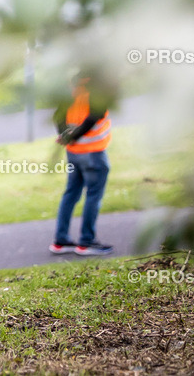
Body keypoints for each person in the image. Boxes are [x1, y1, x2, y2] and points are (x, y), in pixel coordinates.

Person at [50, 72, 114, 256]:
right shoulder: (100, 86)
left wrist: (65, 135)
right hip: (93, 153)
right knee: (93, 196)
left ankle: (61, 241)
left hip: (74, 152)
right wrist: (72, 136)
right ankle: (86, 242)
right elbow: (95, 116)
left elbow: (58, 115)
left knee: (70, 194)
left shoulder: (71, 85)